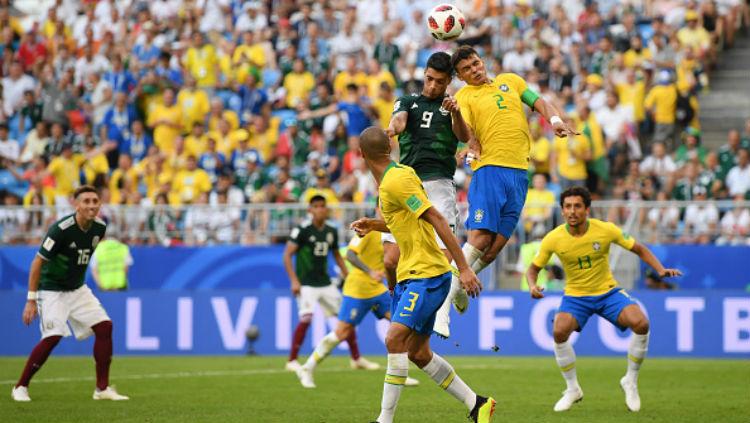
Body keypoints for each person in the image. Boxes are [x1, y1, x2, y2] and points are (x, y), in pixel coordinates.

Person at [351, 127, 495, 423]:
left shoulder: (396, 180)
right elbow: (408, 223)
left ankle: (384, 420)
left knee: (394, 339)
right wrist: (375, 225)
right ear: (388, 148)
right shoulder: (396, 178)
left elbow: (436, 218)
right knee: (418, 353)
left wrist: (464, 268)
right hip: (411, 274)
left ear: (361, 154)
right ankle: (477, 403)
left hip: (427, 274)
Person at [436, 46, 577, 338]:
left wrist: (555, 121)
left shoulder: (511, 81)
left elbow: (539, 102)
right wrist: (461, 128)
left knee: (496, 246)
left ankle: (461, 285)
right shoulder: (464, 97)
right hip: (490, 169)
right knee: (480, 238)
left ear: (481, 61)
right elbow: (463, 134)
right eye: (466, 69)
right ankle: (443, 309)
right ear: (460, 77)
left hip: (518, 173)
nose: (474, 69)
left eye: (476, 63)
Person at [526, 186, 681, 413]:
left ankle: (630, 380)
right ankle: (572, 389)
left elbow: (638, 248)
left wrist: (659, 269)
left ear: (587, 209)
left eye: (577, 206)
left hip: (607, 292)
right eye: (567, 207)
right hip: (576, 296)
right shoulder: (553, 238)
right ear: (562, 211)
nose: (572, 211)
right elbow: (533, 269)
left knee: (641, 323)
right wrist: (532, 285)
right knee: (559, 331)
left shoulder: (606, 230)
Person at [382, 51, 471, 338]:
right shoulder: (408, 100)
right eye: (430, 79)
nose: (433, 87)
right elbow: (399, 120)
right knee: (390, 261)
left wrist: (456, 111)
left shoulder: (452, 106)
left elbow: (464, 137)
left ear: (449, 82)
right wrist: (391, 130)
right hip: (406, 182)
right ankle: (400, 304)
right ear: (425, 75)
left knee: (441, 259)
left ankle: (443, 307)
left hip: (438, 184)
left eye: (440, 82)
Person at [12, 186, 129, 402]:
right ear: (76, 204)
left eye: (95, 201)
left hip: (77, 289)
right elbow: (37, 262)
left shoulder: (100, 228)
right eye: (86, 201)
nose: (92, 205)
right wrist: (31, 299)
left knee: (105, 327)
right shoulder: (60, 229)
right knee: (53, 336)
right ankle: (20, 386)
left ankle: (101, 389)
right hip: (52, 290)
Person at [295, 222, 418, 388]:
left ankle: (400, 374)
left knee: (402, 326)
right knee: (341, 333)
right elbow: (351, 255)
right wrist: (370, 271)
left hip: (379, 290)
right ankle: (308, 368)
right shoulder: (370, 230)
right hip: (357, 290)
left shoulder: (394, 231)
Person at [282, 195, 377, 372]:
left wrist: (347, 274)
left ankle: (356, 359)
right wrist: (294, 281)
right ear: (310, 210)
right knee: (306, 318)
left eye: (322, 206)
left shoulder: (331, 231)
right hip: (306, 283)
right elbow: (287, 254)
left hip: (325, 283)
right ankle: (292, 360)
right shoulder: (302, 229)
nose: (320, 209)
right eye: (316, 206)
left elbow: (336, 255)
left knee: (346, 318)